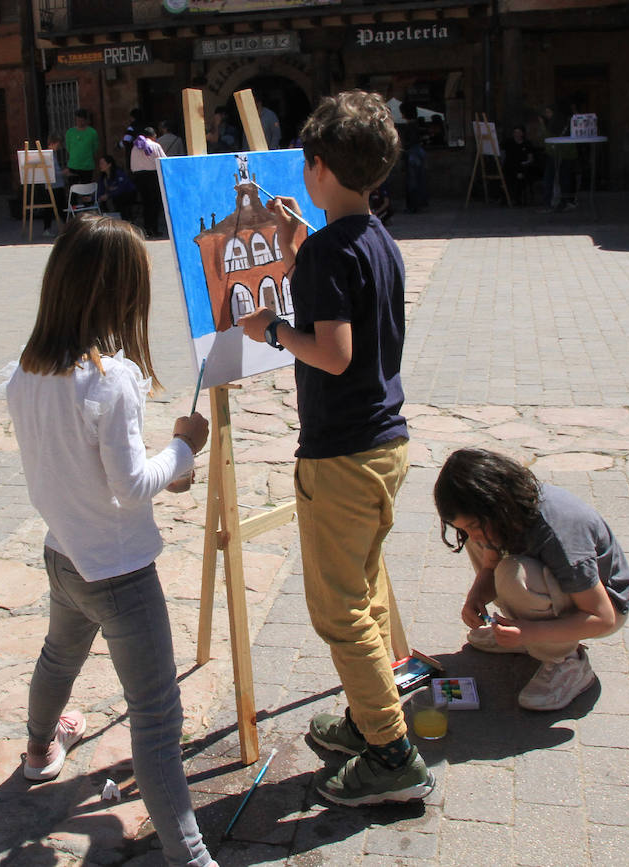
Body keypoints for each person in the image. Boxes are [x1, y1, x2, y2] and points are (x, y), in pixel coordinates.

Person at [236, 91, 433, 806]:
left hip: (342, 455)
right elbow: (341, 295)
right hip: (385, 444)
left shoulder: (325, 251)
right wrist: (297, 251)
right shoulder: (375, 237)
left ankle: (391, 751)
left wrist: (270, 330)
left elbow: (335, 351)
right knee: (367, 590)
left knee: (339, 607)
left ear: (316, 167)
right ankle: (366, 716)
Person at [5, 215, 217, 867]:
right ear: (120, 295)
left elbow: (87, 471)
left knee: (57, 658)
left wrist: (166, 469)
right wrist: (183, 449)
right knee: (156, 716)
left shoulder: (25, 371)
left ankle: (40, 750)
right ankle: (192, 857)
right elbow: (128, 484)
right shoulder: (112, 377)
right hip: (119, 575)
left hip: (64, 554)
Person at [434, 448, 629, 710]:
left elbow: (602, 618)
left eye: (472, 525)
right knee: (489, 554)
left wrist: (528, 632)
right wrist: (476, 598)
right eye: (462, 528)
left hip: (603, 607)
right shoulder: (505, 513)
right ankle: (530, 635)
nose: (473, 535)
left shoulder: (559, 535)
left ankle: (565, 661)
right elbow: (490, 564)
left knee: (512, 574)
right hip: (566, 590)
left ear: (495, 505)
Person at [129, 128, 167, 238]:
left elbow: (132, 165)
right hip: (152, 176)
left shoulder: (135, 147)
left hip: (138, 177)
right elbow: (163, 160)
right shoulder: (155, 145)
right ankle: (154, 228)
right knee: (155, 203)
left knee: (146, 203)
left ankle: (147, 228)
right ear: (153, 136)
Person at [397, 101, 428, 213]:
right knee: (419, 179)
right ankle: (418, 203)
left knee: (412, 181)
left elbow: (409, 142)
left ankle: (413, 205)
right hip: (418, 152)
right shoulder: (416, 125)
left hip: (412, 154)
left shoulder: (410, 126)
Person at [500, 125, 541, 205]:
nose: (517, 134)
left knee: (521, 176)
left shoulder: (527, 144)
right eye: (515, 132)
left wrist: (526, 163)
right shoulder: (508, 142)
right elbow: (502, 153)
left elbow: (530, 158)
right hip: (510, 166)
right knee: (508, 175)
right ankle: (506, 198)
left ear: (523, 133)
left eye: (519, 132)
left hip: (522, 166)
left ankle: (517, 198)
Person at [95, 154, 136, 220]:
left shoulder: (119, 173)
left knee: (120, 199)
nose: (100, 165)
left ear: (109, 164)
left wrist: (109, 195)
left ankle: (126, 220)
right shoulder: (103, 177)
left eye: (102, 163)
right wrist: (92, 198)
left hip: (127, 195)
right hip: (114, 197)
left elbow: (122, 188)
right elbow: (100, 190)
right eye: (99, 163)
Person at [64, 109, 100, 184]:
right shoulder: (70, 132)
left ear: (86, 120)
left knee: (86, 190)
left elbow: (95, 148)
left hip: (87, 166)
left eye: (82, 120)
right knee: (73, 190)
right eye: (78, 120)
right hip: (73, 166)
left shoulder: (92, 133)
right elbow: (68, 148)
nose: (80, 122)